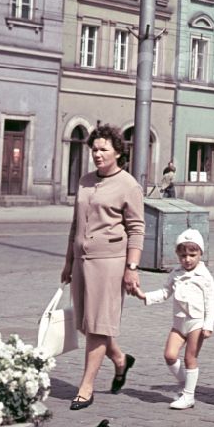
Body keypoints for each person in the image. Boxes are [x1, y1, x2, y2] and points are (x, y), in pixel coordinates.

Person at [61, 123, 145, 411]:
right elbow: (76, 224)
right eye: (94, 149)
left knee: (97, 325)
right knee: (87, 323)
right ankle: (120, 359)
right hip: (82, 261)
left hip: (110, 263)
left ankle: (86, 387)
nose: (97, 154)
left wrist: (132, 267)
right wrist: (68, 261)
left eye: (103, 149)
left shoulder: (128, 185)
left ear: (118, 153)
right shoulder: (85, 181)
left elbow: (136, 229)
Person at [134, 228, 214, 409]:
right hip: (179, 323)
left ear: (200, 253)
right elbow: (165, 292)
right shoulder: (176, 273)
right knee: (170, 355)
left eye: (192, 255)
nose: (187, 259)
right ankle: (188, 384)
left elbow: (211, 301)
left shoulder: (204, 276)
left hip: (197, 322)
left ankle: (188, 396)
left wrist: (208, 325)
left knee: (190, 358)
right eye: (183, 255)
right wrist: (144, 296)